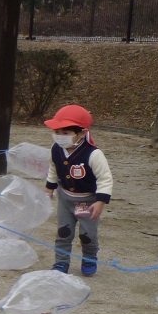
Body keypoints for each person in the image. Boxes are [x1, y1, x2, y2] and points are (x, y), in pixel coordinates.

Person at [44, 104, 113, 276]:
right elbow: (54, 169)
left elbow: (105, 179)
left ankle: (89, 257)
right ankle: (61, 262)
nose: (60, 137)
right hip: (66, 200)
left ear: (81, 133)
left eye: (66, 133)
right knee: (64, 232)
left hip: (86, 203)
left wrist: (100, 201)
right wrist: (49, 188)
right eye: (57, 132)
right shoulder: (56, 150)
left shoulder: (93, 154)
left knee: (87, 233)